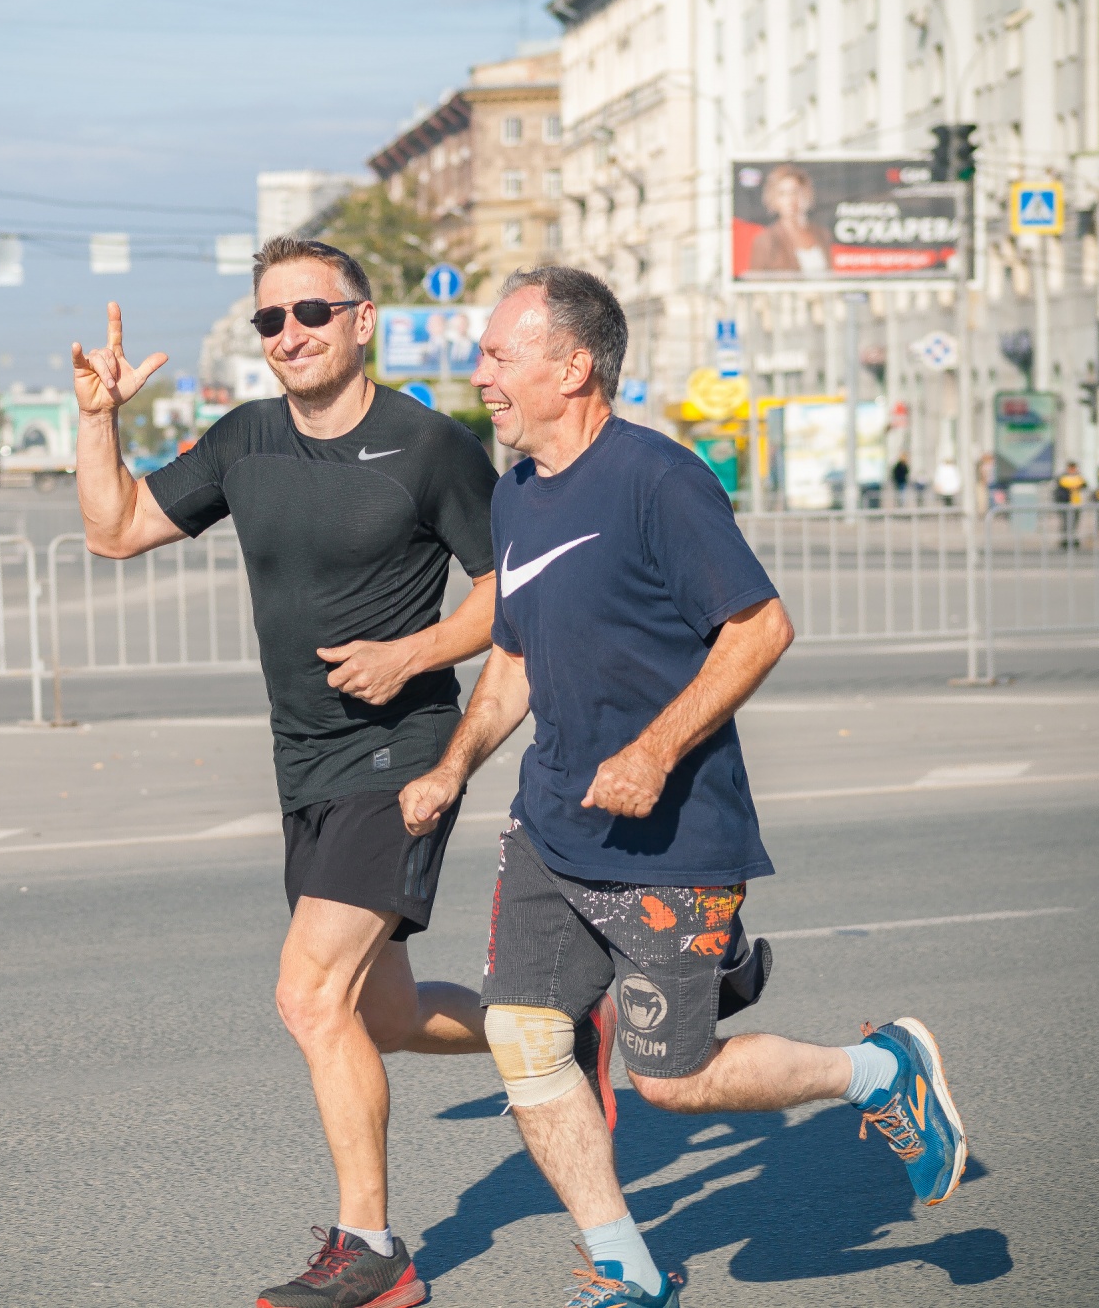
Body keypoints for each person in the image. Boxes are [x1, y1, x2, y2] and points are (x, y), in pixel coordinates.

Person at [400, 267, 969, 1308]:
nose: (477, 371)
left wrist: (657, 749)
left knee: (670, 1077)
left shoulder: (656, 479)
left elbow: (759, 628)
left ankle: (879, 1070)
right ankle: (624, 1265)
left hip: (670, 838)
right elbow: (517, 658)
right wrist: (451, 766)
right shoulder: (515, 492)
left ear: (569, 366)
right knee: (522, 1037)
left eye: (497, 353)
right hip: (548, 825)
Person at [72, 236, 510, 1308]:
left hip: (399, 753)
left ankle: (373, 1253)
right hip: (303, 761)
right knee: (383, 1017)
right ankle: (557, 1029)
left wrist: (414, 653)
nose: (289, 335)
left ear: (363, 321)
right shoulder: (244, 439)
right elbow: (116, 528)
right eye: (270, 319)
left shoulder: (428, 446)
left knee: (309, 997)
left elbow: (515, 586)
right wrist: (99, 421)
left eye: (310, 312)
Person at [745, 163, 835, 275]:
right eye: (783, 194)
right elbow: (755, 285)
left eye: (795, 192)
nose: (790, 199)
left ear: (806, 194)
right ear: (774, 199)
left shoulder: (822, 234)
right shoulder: (765, 240)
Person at [1055, 460, 1089, 549]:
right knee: (1066, 523)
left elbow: (1084, 485)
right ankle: (1065, 540)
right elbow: (1060, 490)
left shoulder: (1078, 477)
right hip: (1065, 504)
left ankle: (1072, 540)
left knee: (1074, 523)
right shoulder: (1063, 477)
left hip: (1076, 503)